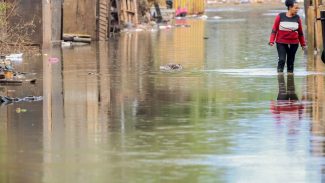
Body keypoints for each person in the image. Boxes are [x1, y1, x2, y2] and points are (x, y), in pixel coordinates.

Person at [269, 0, 306, 74]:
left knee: (290, 62)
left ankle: (290, 81)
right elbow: (274, 29)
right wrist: (271, 40)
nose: (297, 10)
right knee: (282, 60)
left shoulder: (297, 18)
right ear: (290, 7)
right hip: (281, 42)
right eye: (296, 8)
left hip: (294, 43)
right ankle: (280, 78)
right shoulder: (280, 16)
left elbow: (300, 33)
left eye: (298, 8)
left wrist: (303, 44)